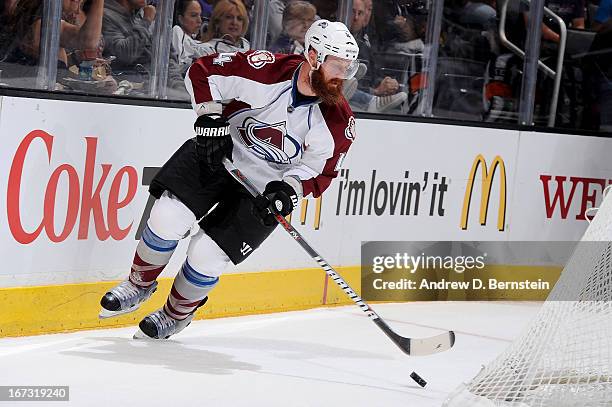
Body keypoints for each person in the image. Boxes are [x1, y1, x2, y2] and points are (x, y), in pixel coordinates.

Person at [99, 20, 361, 340]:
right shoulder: (264, 70)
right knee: (168, 217)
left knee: (206, 254)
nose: (342, 78)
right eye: (337, 66)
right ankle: (138, 284)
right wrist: (209, 117)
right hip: (220, 155)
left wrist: (287, 189)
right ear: (312, 56)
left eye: (348, 68)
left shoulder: (338, 122)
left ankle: (175, 315)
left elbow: (319, 171)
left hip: (264, 191)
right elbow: (203, 71)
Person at [172, 0, 209, 73]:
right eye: (194, 15)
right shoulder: (177, 31)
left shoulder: (198, 42)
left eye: (200, 16)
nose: (199, 20)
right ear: (181, 19)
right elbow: (178, 63)